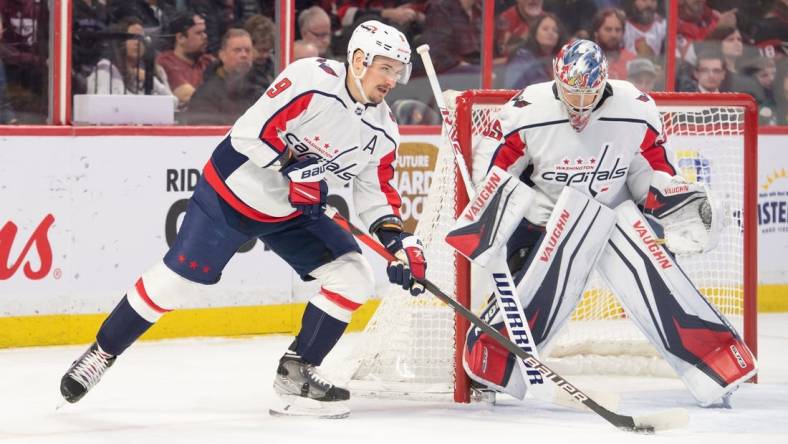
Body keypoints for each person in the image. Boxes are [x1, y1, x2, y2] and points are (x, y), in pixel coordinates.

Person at [60, 20, 426, 418]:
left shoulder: (384, 129)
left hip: (291, 211)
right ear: (359, 60)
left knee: (352, 274)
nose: (393, 79)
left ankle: (297, 369)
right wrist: (293, 165)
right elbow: (248, 134)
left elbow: (375, 193)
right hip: (231, 194)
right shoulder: (311, 80)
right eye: (386, 67)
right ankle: (103, 351)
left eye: (398, 71)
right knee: (176, 284)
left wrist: (399, 244)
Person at [463, 39, 756, 407]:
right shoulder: (526, 110)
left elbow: (652, 170)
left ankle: (713, 362)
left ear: (606, 81)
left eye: (591, 93)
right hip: (543, 219)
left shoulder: (636, 108)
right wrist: (510, 210)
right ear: (557, 78)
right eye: (573, 93)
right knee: (528, 289)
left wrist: (676, 197)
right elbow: (493, 171)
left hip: (613, 213)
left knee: (659, 274)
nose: (581, 105)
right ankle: (494, 359)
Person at [85, 16, 176, 103]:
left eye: (141, 38)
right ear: (121, 42)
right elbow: (105, 103)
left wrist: (150, 80)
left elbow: (173, 103)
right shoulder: (106, 69)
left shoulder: (157, 70)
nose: (137, 42)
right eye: (132, 38)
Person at [185, 28, 256, 124]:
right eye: (237, 50)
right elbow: (204, 131)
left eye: (247, 50)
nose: (244, 55)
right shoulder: (205, 95)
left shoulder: (260, 90)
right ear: (222, 55)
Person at [156, 11, 214, 107]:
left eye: (204, 32)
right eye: (199, 33)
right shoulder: (166, 62)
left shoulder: (208, 61)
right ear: (180, 38)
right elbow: (186, 95)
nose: (205, 36)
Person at [503, 13, 566, 89]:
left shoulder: (563, 61)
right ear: (535, 33)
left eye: (555, 30)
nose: (550, 33)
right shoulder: (521, 58)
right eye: (545, 29)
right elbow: (514, 90)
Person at [592, 8, 636, 80]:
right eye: (608, 29)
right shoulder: (586, 60)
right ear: (596, 32)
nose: (613, 35)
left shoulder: (632, 61)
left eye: (618, 30)